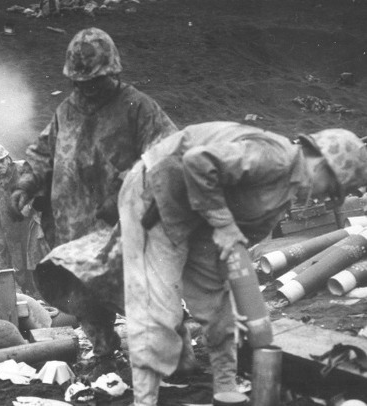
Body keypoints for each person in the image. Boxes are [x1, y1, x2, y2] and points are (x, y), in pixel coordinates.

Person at [118, 122, 367, 405]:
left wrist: (233, 276)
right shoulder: (274, 158)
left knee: (219, 307)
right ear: (323, 164)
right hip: (157, 194)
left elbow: (237, 236)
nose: (327, 197)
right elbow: (196, 162)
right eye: (333, 188)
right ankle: (144, 400)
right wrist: (224, 227)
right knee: (158, 309)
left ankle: (225, 389)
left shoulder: (287, 188)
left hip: (198, 209)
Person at [10, 26, 177, 357]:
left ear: (111, 71)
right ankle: (104, 354)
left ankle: (174, 353)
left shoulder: (136, 106)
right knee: (86, 299)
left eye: (94, 81)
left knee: (142, 296)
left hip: (124, 230)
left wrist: (130, 187)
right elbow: (44, 151)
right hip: (76, 233)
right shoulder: (67, 111)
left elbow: (168, 152)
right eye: (79, 82)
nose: (86, 88)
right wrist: (26, 183)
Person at [0, 143, 49, 295]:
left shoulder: (23, 169)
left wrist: (28, 206)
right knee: (18, 267)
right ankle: (23, 295)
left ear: (8, 158)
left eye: (1, 161)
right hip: (11, 230)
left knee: (35, 261)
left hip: (30, 226)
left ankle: (41, 295)